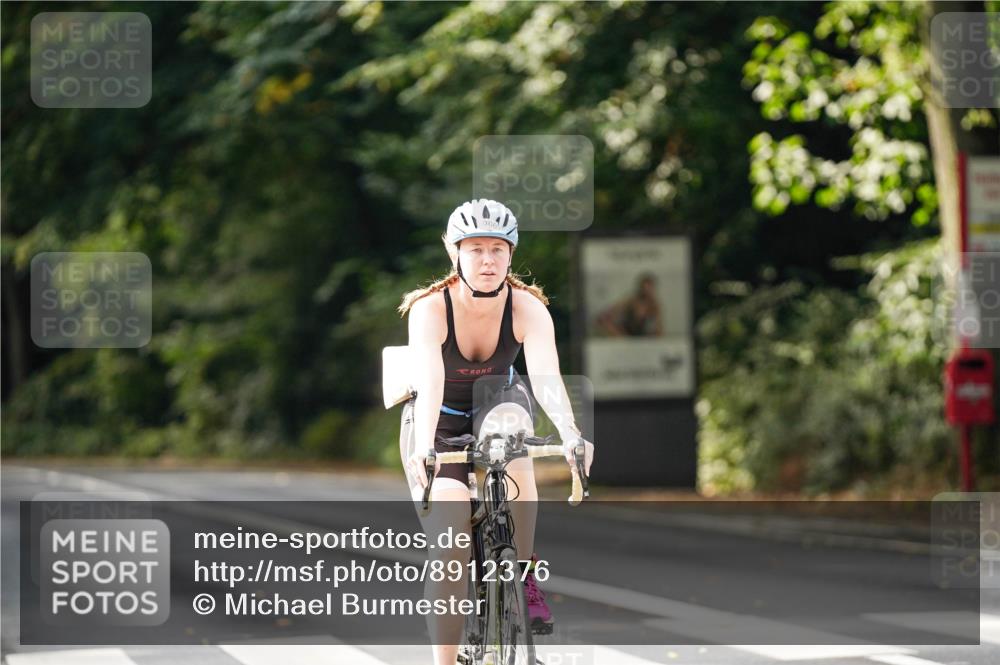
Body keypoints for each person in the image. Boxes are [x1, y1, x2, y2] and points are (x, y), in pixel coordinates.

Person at [397, 199, 595, 665]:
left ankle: (522, 575)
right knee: (451, 549)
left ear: (511, 254)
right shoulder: (431, 309)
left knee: (513, 437)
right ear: (454, 254)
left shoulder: (527, 308)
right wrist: (425, 447)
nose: (487, 260)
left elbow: (545, 377)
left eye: (497, 250)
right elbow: (428, 381)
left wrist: (571, 434)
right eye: (475, 249)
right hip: (437, 417)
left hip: (497, 406)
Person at [596, 272, 664, 337]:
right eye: (644, 288)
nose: (646, 291)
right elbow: (609, 313)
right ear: (640, 288)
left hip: (642, 335)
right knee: (605, 322)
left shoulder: (654, 305)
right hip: (625, 333)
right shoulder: (631, 300)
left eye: (649, 288)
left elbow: (659, 329)